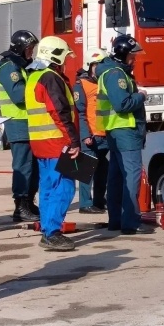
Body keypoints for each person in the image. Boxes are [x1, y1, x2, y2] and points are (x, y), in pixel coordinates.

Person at [25, 37, 81, 251]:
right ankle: (52, 232)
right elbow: (59, 112)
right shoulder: (50, 78)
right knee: (64, 187)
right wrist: (73, 141)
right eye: (64, 56)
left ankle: (48, 230)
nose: (66, 61)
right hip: (57, 143)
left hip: (41, 144)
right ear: (55, 55)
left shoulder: (34, 76)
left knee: (48, 187)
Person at [97, 34, 154, 235]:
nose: (135, 59)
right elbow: (122, 104)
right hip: (125, 129)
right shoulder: (116, 74)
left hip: (117, 130)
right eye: (132, 56)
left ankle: (117, 219)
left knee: (117, 176)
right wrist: (141, 96)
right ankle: (130, 222)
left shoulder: (112, 72)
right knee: (131, 176)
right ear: (123, 55)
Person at [0, 30, 40, 223]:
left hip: (28, 123)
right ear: (20, 48)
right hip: (18, 123)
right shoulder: (8, 67)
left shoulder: (22, 66)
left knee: (34, 168)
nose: (32, 52)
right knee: (24, 167)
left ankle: (29, 202)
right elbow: (19, 95)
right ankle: (20, 207)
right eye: (29, 49)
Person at [74, 51, 110, 214]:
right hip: (90, 135)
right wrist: (85, 135)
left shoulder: (104, 82)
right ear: (89, 66)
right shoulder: (80, 85)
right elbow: (80, 113)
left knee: (103, 170)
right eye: (97, 65)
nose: (100, 68)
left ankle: (99, 200)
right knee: (85, 170)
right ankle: (85, 203)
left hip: (104, 134)